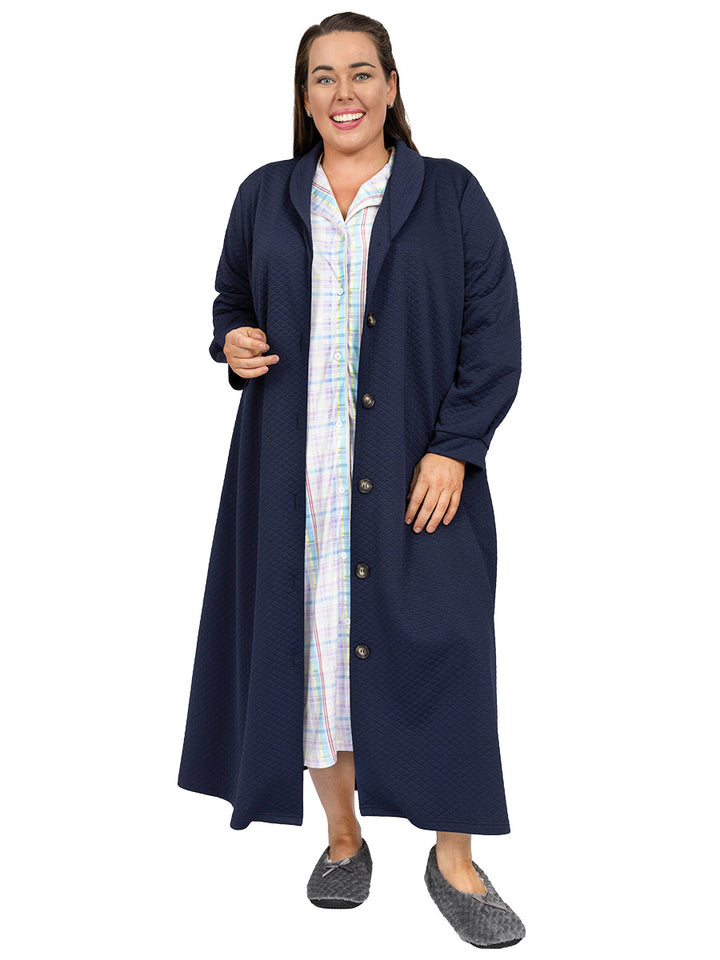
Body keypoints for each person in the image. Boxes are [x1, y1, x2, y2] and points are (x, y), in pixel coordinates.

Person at [178, 11, 525, 948]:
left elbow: (495, 331)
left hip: (416, 475)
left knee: (449, 651)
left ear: (392, 86)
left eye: (361, 73)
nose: (344, 93)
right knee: (314, 658)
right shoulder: (265, 194)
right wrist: (233, 340)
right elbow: (231, 298)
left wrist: (457, 445)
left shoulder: (450, 194)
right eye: (323, 77)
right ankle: (343, 839)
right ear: (304, 98)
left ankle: (453, 860)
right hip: (291, 478)